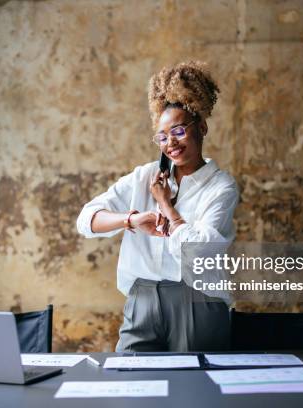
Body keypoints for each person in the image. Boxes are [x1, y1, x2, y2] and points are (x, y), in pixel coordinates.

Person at [76, 61, 239, 352]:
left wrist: (165, 203)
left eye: (178, 131)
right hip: (142, 299)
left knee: (195, 391)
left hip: (197, 301)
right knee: (131, 387)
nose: (170, 144)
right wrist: (131, 219)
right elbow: (86, 220)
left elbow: (198, 251)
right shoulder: (144, 176)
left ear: (201, 127)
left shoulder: (221, 186)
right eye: (162, 137)